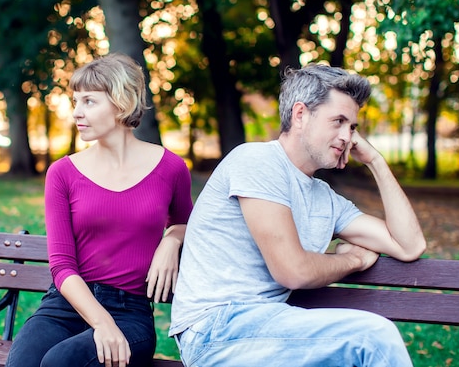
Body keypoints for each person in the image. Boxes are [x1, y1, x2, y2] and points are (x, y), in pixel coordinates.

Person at [169, 64, 427, 367]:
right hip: (216, 329)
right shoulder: (256, 161)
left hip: (270, 329)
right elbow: (293, 271)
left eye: (353, 127)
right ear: (300, 114)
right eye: (339, 121)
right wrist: (354, 260)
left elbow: (410, 246)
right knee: (372, 337)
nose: (347, 137)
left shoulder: (326, 200)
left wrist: (375, 161)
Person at [6, 53, 193, 367]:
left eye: (89, 102)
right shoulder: (62, 173)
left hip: (130, 313)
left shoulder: (170, 168)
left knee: (60, 363)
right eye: (75, 101)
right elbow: (62, 266)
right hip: (64, 306)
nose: (77, 113)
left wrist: (172, 240)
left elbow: (188, 222)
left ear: (121, 103)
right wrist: (102, 323)